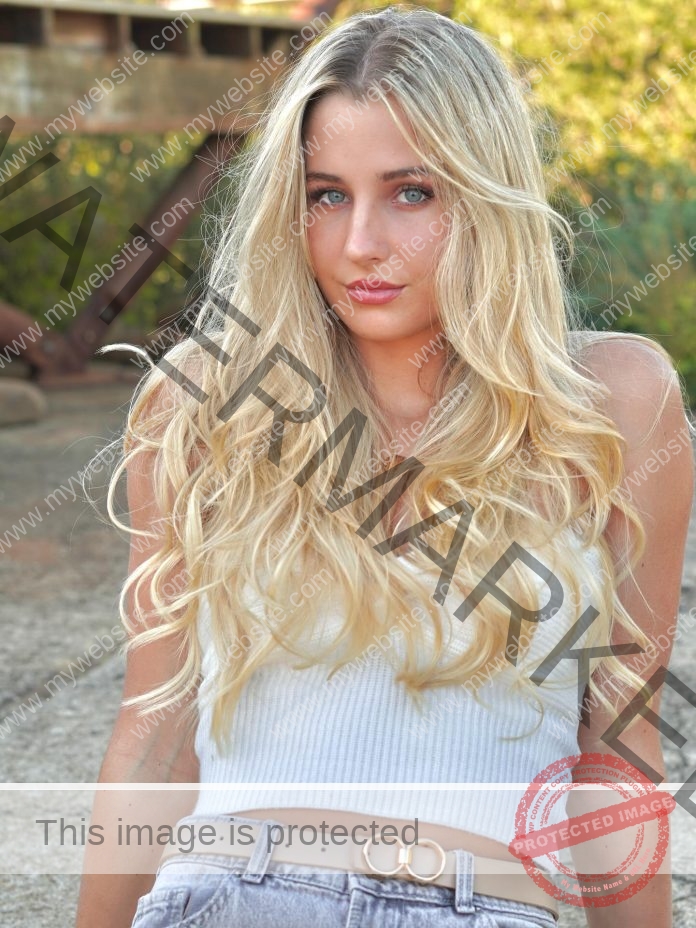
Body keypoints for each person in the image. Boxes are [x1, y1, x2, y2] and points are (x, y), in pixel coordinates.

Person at [75, 6, 695, 928]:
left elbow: (615, 749)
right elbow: (157, 733)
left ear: (488, 195)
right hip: (232, 895)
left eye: (412, 192)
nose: (360, 242)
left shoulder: (614, 401)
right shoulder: (204, 402)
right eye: (327, 194)